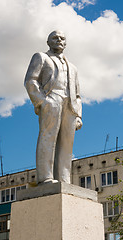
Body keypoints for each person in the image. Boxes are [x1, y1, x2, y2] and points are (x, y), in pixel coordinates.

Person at [24, 30, 82, 184]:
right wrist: (42, 101)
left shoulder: (73, 67)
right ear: (48, 42)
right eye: (54, 38)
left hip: (69, 105)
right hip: (51, 98)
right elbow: (30, 80)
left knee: (67, 143)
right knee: (48, 137)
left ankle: (64, 178)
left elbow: (77, 94)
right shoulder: (41, 57)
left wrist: (78, 115)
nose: (59, 40)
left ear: (66, 43)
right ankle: (45, 177)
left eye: (62, 38)